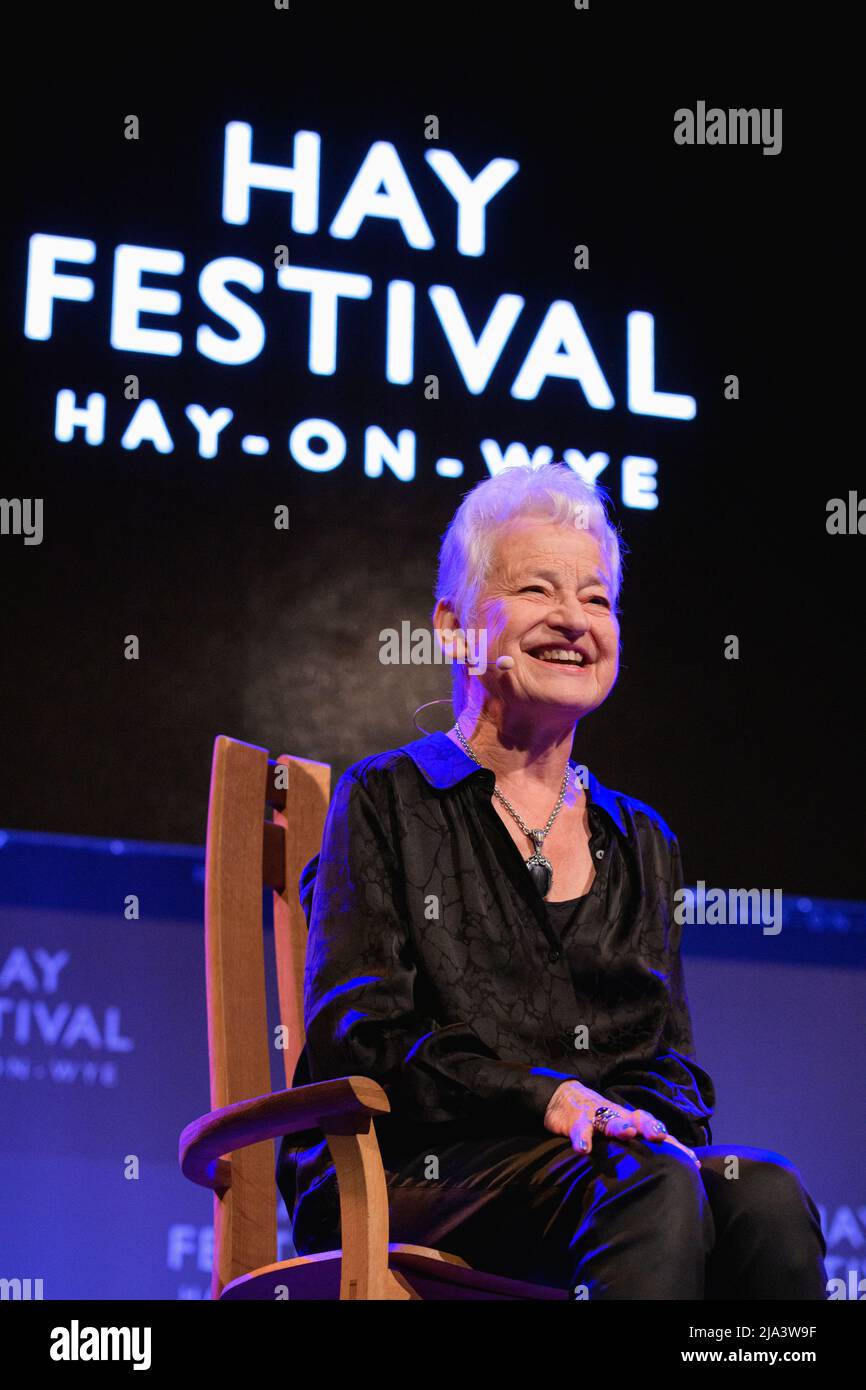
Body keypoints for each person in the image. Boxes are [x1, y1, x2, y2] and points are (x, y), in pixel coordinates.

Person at [276, 461, 828, 1299]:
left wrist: (638, 1120)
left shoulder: (641, 839)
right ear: (455, 628)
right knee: (646, 1188)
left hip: (595, 1175)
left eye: (598, 599)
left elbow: (669, 1061)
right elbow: (366, 1038)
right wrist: (550, 1099)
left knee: (769, 1200)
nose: (574, 619)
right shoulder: (388, 799)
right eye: (538, 591)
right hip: (406, 1174)